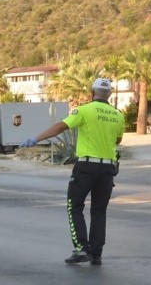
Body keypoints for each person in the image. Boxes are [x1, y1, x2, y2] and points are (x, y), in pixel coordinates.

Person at [20, 78, 125, 265]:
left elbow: (61, 126)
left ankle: (82, 248)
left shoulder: (84, 110)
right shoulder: (118, 115)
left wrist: (36, 138)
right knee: (99, 211)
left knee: (74, 206)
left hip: (86, 167)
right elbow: (117, 140)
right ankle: (97, 254)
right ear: (109, 94)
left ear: (92, 93)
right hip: (107, 168)